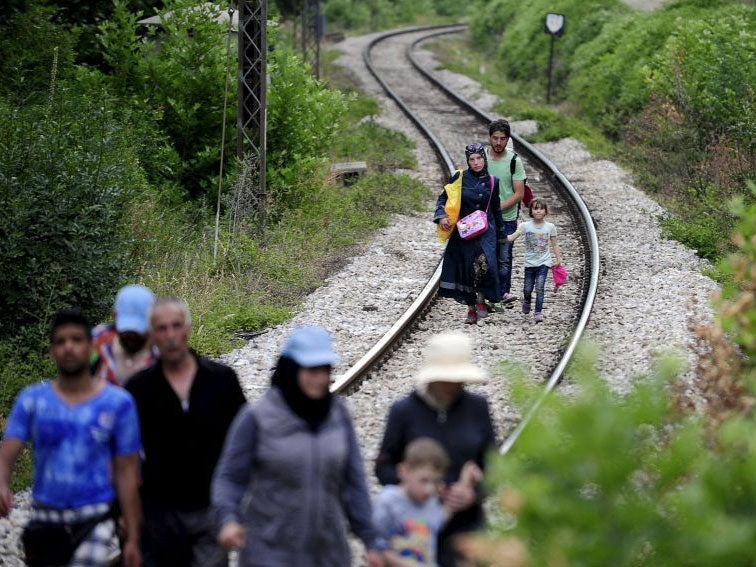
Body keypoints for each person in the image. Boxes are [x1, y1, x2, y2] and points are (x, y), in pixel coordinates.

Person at [212, 326, 384, 567]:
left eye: (325, 369)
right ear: (291, 369)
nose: (320, 378)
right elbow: (229, 478)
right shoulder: (257, 417)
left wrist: (371, 540)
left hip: (328, 554)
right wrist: (229, 519)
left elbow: (354, 484)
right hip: (269, 554)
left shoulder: (338, 416)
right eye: (312, 370)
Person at [0, 309, 141, 567]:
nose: (69, 347)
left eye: (77, 340)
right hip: (45, 516)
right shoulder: (33, 400)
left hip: (95, 516)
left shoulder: (117, 403)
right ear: (52, 350)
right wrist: (2, 481)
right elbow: (9, 449)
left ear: (91, 347)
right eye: (61, 341)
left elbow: (127, 469)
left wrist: (132, 533)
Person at [125, 297, 246, 567]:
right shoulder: (138, 389)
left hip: (211, 506)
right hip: (160, 514)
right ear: (151, 336)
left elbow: (245, 442)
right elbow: (124, 457)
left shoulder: (221, 380)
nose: (170, 336)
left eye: (176, 326)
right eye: (162, 329)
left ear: (188, 328)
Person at [375, 332, 496, 567]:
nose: (455, 384)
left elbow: (493, 466)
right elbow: (383, 469)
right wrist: (420, 487)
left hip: (467, 527)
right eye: (448, 378)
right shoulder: (404, 412)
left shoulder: (477, 408)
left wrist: (474, 492)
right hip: (413, 531)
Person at [373, 438, 482, 567]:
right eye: (424, 480)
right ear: (404, 471)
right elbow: (375, 545)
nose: (429, 489)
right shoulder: (388, 501)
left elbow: (442, 515)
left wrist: (465, 484)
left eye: (436, 482)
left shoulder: (430, 503)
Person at [434, 142, 505, 324]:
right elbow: (443, 197)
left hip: (485, 230)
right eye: (472, 159)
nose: (476, 162)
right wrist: (441, 216)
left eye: (479, 158)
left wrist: (502, 235)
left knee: (485, 263)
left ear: (484, 158)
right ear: (468, 160)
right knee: (467, 269)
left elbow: (496, 209)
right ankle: (471, 306)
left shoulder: (493, 181)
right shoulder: (459, 177)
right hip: (464, 230)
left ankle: (481, 299)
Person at [485, 119, 526, 306]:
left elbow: (519, 193)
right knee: (485, 256)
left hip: (507, 217)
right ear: (490, 138)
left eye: (502, 138)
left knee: (504, 257)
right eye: (495, 138)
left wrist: (497, 207)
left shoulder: (514, 161)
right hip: (484, 218)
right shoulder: (481, 158)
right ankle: (487, 294)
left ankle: (503, 293)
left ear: (508, 139)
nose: (498, 142)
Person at [507, 198, 563, 323]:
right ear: (531, 211)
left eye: (541, 209)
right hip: (529, 263)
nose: (538, 211)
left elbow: (554, 244)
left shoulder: (550, 227)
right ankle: (527, 300)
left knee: (540, 287)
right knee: (527, 288)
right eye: (535, 208)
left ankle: (538, 312)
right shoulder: (525, 226)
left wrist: (558, 259)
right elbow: (511, 238)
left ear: (545, 211)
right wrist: (500, 236)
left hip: (544, 263)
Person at [92, 284, 158, 385]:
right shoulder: (97, 341)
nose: (132, 335)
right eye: (126, 329)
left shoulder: (162, 353)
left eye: (139, 329)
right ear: (115, 316)